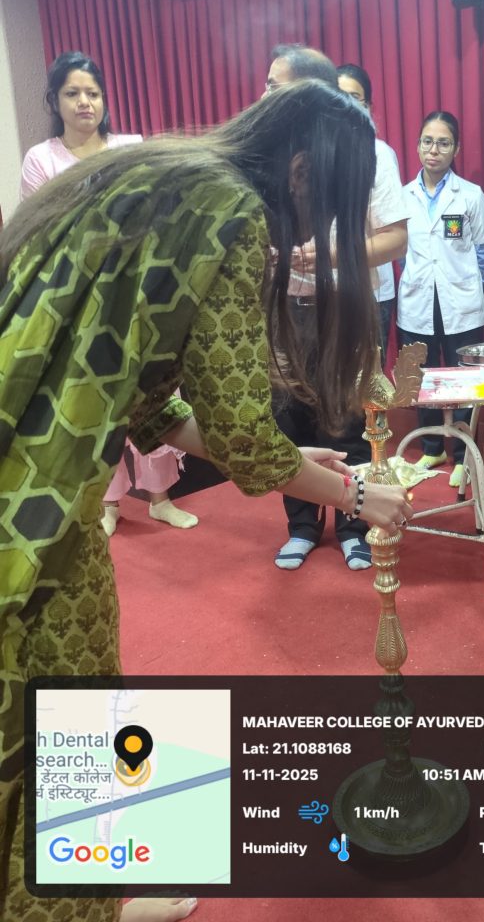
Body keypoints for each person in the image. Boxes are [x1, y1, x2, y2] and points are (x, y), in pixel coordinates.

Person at [0, 80, 414, 922]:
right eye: (329, 208)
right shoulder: (235, 213)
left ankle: (101, 884)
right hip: (32, 519)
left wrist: (289, 460)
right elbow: (248, 438)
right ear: (301, 174)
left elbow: (153, 405)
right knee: (62, 716)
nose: (313, 234)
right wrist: (358, 493)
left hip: (30, 479)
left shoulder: (164, 173)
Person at [21, 50, 198, 536]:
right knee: (97, 399)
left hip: (140, 293)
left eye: (93, 93)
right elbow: (42, 231)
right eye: (73, 93)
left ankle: (161, 498)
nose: (85, 102)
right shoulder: (41, 159)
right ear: (55, 101)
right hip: (79, 301)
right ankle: (109, 500)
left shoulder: (130, 147)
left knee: (153, 391)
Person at [264, 46, 408, 572]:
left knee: (347, 419)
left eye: (275, 86)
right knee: (289, 416)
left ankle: (353, 524)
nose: (265, 96)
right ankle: (302, 526)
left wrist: (327, 254)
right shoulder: (268, 152)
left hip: (344, 304)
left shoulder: (371, 153)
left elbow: (395, 239)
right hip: (282, 306)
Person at [397, 110, 484, 488]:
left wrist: (473, 290)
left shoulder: (470, 195)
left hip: (460, 304)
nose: (433, 150)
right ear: (418, 145)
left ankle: (463, 456)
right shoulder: (403, 196)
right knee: (421, 379)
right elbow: (399, 252)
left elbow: (483, 251)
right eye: (427, 141)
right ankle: (432, 447)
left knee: (463, 381)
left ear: (456, 149)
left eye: (443, 143)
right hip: (417, 302)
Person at [337, 62, 405, 362]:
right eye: (338, 96)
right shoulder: (309, 152)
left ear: (368, 106)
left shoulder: (378, 154)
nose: (345, 106)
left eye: (355, 98)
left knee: (366, 381)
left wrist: (333, 256)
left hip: (366, 293)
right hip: (317, 294)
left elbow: (396, 239)